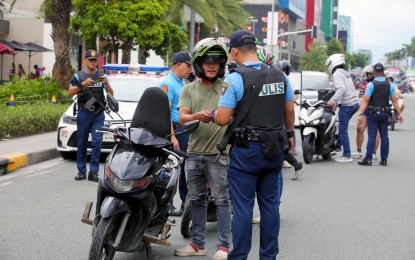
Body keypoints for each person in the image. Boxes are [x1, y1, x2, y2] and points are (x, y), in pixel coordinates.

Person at [213, 30, 295, 259]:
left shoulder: (235, 78)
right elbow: (289, 110)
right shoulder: (280, 75)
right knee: (270, 207)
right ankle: (269, 256)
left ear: (236, 51)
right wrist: (289, 133)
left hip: (246, 152)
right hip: (274, 149)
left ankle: (239, 256)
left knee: (243, 209)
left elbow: (221, 118)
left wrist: (216, 115)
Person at [174, 38, 231, 260]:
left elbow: (234, 116)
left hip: (218, 155)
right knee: (196, 199)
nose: (211, 65)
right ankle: (198, 244)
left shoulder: (227, 88)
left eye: (216, 61)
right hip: (194, 154)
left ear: (222, 65)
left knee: (222, 200)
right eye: (207, 60)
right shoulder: (188, 89)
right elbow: (182, 117)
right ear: (198, 63)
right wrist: (198, 116)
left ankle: (223, 247)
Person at [68, 49, 114, 182]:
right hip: (84, 113)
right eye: (90, 60)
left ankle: (94, 172)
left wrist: (106, 84)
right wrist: (83, 85)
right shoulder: (79, 76)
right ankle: (81, 171)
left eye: (95, 60)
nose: (93, 62)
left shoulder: (102, 76)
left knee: (97, 142)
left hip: (98, 114)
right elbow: (70, 92)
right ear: (85, 61)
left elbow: (111, 93)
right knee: (82, 142)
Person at [159, 51, 193, 216]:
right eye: (188, 66)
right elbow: (164, 112)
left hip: (183, 129)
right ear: (178, 64)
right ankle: (167, 204)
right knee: (171, 169)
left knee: (185, 168)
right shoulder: (168, 83)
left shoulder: (181, 82)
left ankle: (185, 203)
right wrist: (172, 136)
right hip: (174, 129)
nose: (190, 69)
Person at [357, 63, 403, 166]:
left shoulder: (371, 85)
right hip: (385, 113)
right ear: (383, 72)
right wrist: (399, 114)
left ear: (374, 72)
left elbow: (365, 100)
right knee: (385, 137)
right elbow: (394, 101)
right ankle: (384, 160)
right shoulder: (390, 85)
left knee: (372, 136)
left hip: (373, 114)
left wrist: (360, 113)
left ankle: (368, 159)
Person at [326, 54, 359, 162]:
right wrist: (336, 102)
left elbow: (341, 89)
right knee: (341, 126)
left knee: (343, 130)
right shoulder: (345, 73)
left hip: (347, 105)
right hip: (354, 104)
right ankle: (338, 147)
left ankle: (346, 155)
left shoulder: (336, 74)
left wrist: (332, 101)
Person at [351, 65, 380, 160]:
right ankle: (358, 151)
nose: (369, 75)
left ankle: (373, 153)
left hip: (375, 110)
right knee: (359, 129)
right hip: (365, 110)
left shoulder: (379, 83)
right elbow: (360, 96)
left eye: (370, 73)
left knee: (374, 132)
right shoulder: (363, 83)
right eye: (367, 73)